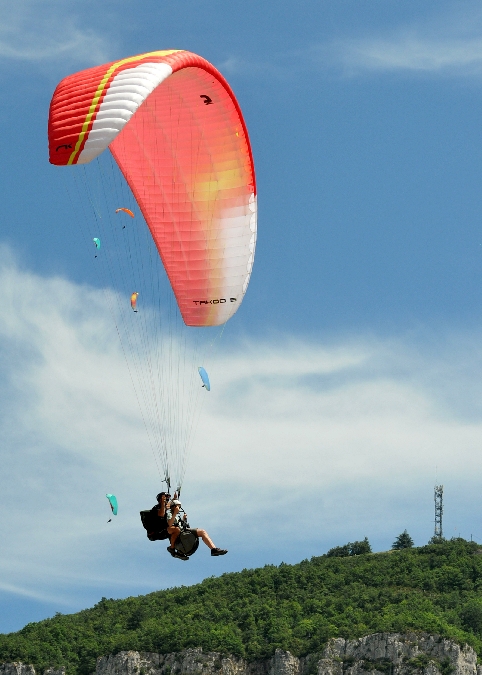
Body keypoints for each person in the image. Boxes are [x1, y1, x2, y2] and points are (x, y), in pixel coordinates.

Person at [159, 492, 228, 561]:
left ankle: (213, 549)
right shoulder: (169, 513)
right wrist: (173, 508)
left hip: (183, 532)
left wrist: (184, 520)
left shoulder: (177, 516)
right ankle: (172, 548)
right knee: (177, 529)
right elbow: (169, 524)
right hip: (178, 535)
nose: (179, 509)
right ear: (174, 507)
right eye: (178, 507)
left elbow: (180, 525)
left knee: (202, 532)